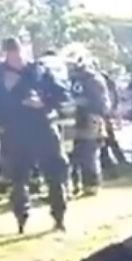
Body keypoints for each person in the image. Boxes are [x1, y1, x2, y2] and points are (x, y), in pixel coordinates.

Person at [0, 37, 72, 233]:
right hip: (15, 130)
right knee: (18, 177)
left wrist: (44, 102)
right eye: (11, 55)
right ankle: (21, 219)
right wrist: (12, 96)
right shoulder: (1, 74)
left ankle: (59, 217)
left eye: (18, 54)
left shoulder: (38, 70)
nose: (16, 59)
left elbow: (62, 94)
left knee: (55, 171)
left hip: (42, 125)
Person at [68, 55, 110, 196]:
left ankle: (91, 185)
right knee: (71, 156)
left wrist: (83, 103)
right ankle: (73, 185)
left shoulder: (94, 80)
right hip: (71, 121)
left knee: (89, 155)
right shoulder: (67, 79)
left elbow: (103, 104)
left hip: (90, 121)